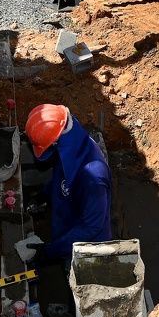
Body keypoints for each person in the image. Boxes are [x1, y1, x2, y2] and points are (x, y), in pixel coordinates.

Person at [22, 104, 112, 268]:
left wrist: (50, 251)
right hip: (67, 222)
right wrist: (43, 195)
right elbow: (61, 177)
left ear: (56, 144)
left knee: (75, 279)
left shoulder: (93, 177)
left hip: (85, 247)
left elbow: (90, 227)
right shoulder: (72, 148)